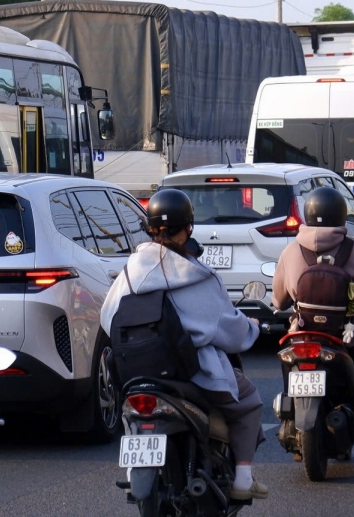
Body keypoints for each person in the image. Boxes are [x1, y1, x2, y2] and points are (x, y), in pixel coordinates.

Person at [100, 189, 267, 500]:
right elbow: (231, 333)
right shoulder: (197, 275)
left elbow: (107, 318)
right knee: (249, 401)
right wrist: (252, 329)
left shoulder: (129, 272)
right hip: (190, 374)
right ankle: (244, 480)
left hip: (134, 375)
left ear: (150, 228)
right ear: (188, 227)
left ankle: (135, 470)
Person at [273, 186, 354, 420]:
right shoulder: (353, 250)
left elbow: (280, 300)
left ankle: (290, 414)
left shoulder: (291, 250)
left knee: (287, 356)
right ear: (341, 215)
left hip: (303, 331)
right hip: (343, 333)